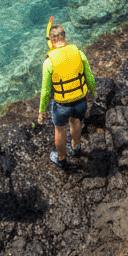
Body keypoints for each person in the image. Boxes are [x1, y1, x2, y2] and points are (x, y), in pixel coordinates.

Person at [38, 21, 95, 170]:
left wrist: (41, 110)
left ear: (51, 40)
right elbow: (89, 77)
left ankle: (62, 159)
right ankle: (76, 148)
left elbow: (45, 91)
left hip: (62, 105)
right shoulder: (78, 52)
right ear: (65, 37)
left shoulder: (48, 62)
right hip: (81, 101)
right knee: (76, 122)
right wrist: (93, 93)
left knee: (60, 130)